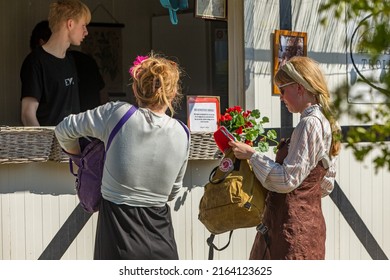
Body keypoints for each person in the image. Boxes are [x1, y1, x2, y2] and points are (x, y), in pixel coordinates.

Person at [54, 53, 190, 260]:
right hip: (163, 244)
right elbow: (173, 192)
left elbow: (64, 130)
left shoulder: (118, 114)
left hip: (117, 243)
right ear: (173, 94)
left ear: (135, 89)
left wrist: (79, 158)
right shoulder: (182, 132)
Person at [229, 56, 341, 260]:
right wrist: (305, 198)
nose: (281, 97)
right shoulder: (324, 122)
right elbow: (325, 185)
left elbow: (287, 180)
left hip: (291, 228)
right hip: (307, 224)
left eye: (283, 90)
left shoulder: (310, 124)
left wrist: (251, 155)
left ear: (299, 88)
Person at [20, 0, 91, 126]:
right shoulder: (35, 61)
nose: (86, 32)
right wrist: (45, 144)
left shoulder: (70, 60)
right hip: (47, 144)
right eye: (83, 25)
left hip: (73, 143)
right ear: (70, 24)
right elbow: (27, 114)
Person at [28, 20, 106, 112]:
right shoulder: (87, 60)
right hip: (93, 121)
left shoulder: (44, 65)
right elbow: (104, 96)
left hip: (64, 124)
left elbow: (29, 111)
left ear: (42, 43)